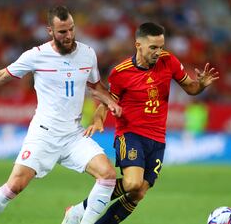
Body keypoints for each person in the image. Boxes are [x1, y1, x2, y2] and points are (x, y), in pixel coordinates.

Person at [0, 6, 122, 224]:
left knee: (108, 176)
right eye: (62, 31)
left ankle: (77, 219)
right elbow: (0, 77)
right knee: (14, 186)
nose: (69, 35)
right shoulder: (36, 56)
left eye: (71, 29)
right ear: (50, 31)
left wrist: (110, 101)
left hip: (74, 135)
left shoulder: (87, 53)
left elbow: (95, 86)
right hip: (44, 134)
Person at [61, 22, 218, 224]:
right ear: (138, 45)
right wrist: (99, 120)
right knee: (133, 182)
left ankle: (77, 211)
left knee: (138, 192)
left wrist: (201, 85)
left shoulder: (168, 61)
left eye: (161, 46)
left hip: (158, 139)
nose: (158, 52)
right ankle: (80, 212)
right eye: (153, 47)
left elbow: (191, 88)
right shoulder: (121, 72)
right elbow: (106, 102)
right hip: (130, 134)